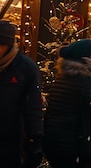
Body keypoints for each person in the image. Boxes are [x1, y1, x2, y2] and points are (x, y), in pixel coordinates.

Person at [43, 39, 91, 168]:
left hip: (56, 138)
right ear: (86, 56)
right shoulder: (85, 77)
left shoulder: (63, 76)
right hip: (75, 140)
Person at [0, 21, 44, 168]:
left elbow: (33, 108)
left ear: (8, 44)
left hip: (12, 142)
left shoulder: (26, 68)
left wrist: (34, 141)